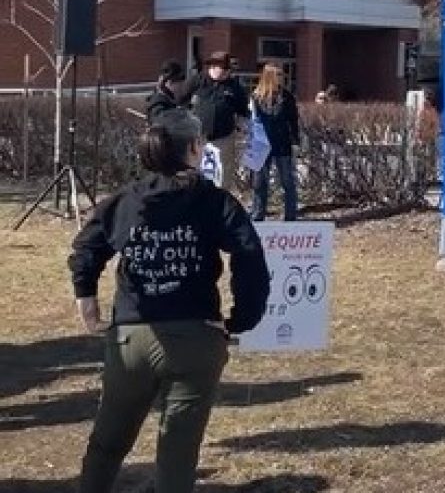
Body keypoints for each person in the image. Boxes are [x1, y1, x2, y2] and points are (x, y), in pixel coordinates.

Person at [67, 108, 269, 492]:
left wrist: (87, 304)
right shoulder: (215, 202)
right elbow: (249, 254)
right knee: (178, 450)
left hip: (131, 337)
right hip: (196, 336)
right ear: (194, 148)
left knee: (108, 440)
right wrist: (241, 318)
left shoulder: (125, 201)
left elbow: (85, 250)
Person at [182, 50, 249, 190]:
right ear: (213, 67)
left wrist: (242, 127)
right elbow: (181, 101)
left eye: (228, 70)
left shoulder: (234, 87)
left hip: (223, 137)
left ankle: (220, 204)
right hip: (199, 138)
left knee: (222, 175)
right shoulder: (197, 81)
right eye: (223, 69)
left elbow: (243, 110)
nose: (226, 73)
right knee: (196, 172)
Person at [250, 63, 301, 222]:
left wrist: (295, 141)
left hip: (282, 142)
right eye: (277, 74)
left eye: (281, 75)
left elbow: (293, 121)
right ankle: (258, 214)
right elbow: (253, 121)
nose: (281, 78)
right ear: (269, 77)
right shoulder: (256, 97)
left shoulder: (287, 97)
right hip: (261, 143)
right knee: (259, 182)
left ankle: (290, 215)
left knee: (287, 181)